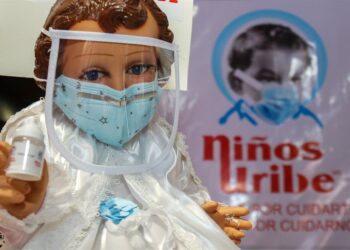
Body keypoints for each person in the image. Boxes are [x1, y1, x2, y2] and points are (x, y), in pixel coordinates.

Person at [0, 0, 251, 249]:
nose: (119, 90)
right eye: (93, 74)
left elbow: (180, 189)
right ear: (54, 70)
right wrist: (21, 209)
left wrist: (200, 222)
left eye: (138, 67)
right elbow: (19, 219)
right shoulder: (37, 131)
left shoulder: (158, 135)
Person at [220, 23, 322, 127]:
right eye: (268, 79)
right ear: (237, 82)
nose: (284, 89)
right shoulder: (226, 124)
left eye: (294, 79)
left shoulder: (311, 126)